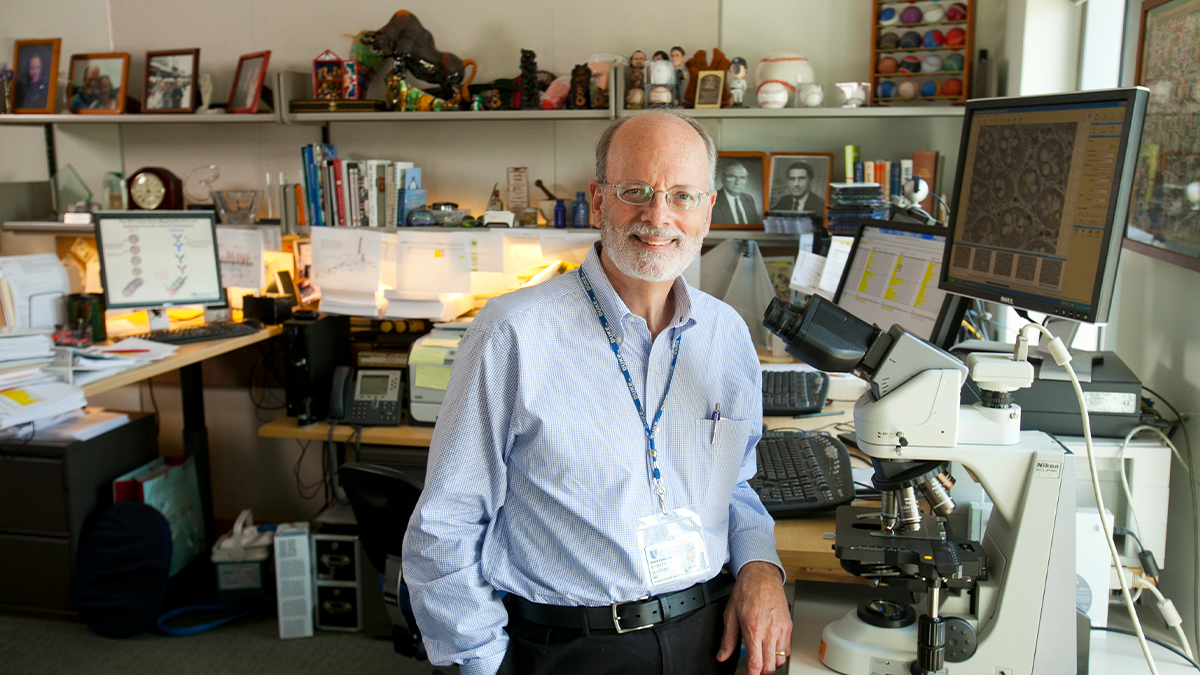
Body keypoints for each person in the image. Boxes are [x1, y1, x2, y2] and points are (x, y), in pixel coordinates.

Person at [403, 109, 791, 675]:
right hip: (572, 646)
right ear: (597, 199)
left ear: (708, 210)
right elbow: (447, 521)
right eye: (636, 191)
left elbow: (734, 488)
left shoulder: (727, 334)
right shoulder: (512, 331)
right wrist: (483, 663)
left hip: (708, 634)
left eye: (682, 195)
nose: (658, 217)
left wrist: (760, 565)